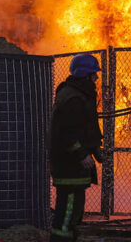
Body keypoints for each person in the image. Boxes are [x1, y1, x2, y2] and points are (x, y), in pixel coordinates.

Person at [49, 54, 104, 242]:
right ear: (85, 75)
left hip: (72, 166)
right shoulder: (73, 98)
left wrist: (96, 150)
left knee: (73, 209)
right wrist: (82, 154)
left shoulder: (79, 94)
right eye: (93, 74)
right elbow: (66, 132)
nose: (96, 78)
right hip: (69, 166)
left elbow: (85, 127)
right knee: (68, 209)